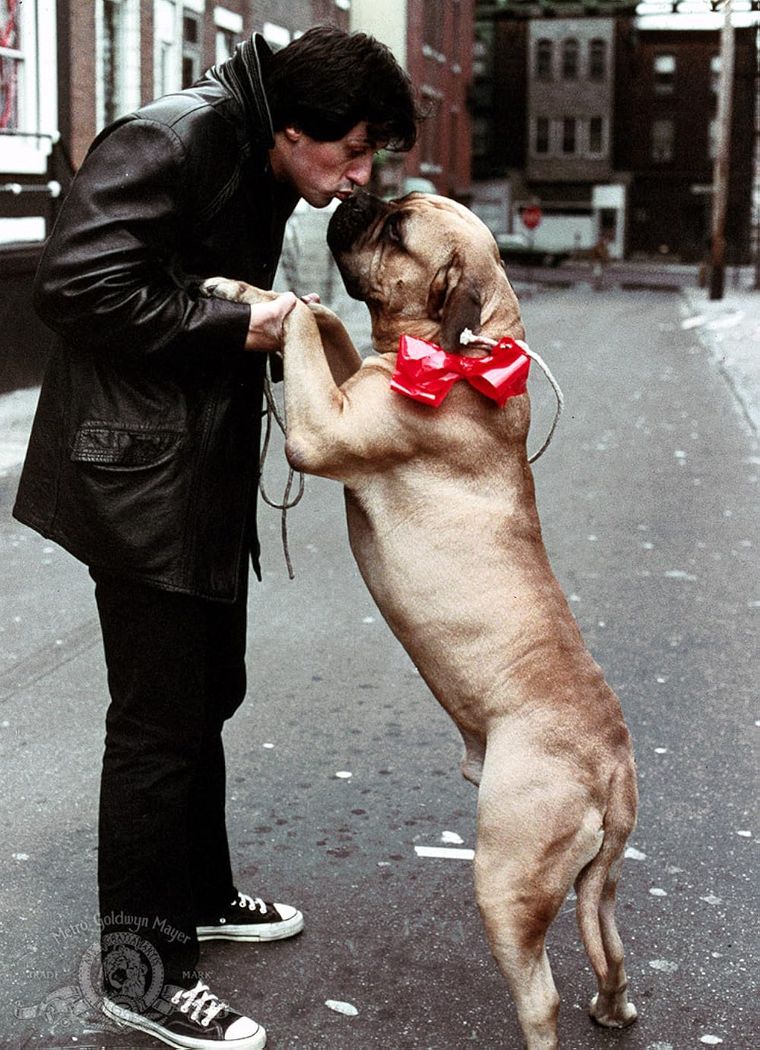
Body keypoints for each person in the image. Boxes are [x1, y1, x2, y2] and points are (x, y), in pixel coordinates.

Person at [13, 25, 419, 1050]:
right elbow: (73, 285)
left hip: (191, 467)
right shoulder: (174, 139)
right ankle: (140, 973)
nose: (359, 177)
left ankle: (194, 897)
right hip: (137, 475)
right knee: (157, 724)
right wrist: (236, 326)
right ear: (296, 127)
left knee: (206, 693)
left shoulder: (256, 151)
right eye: (353, 152)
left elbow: (173, 277)